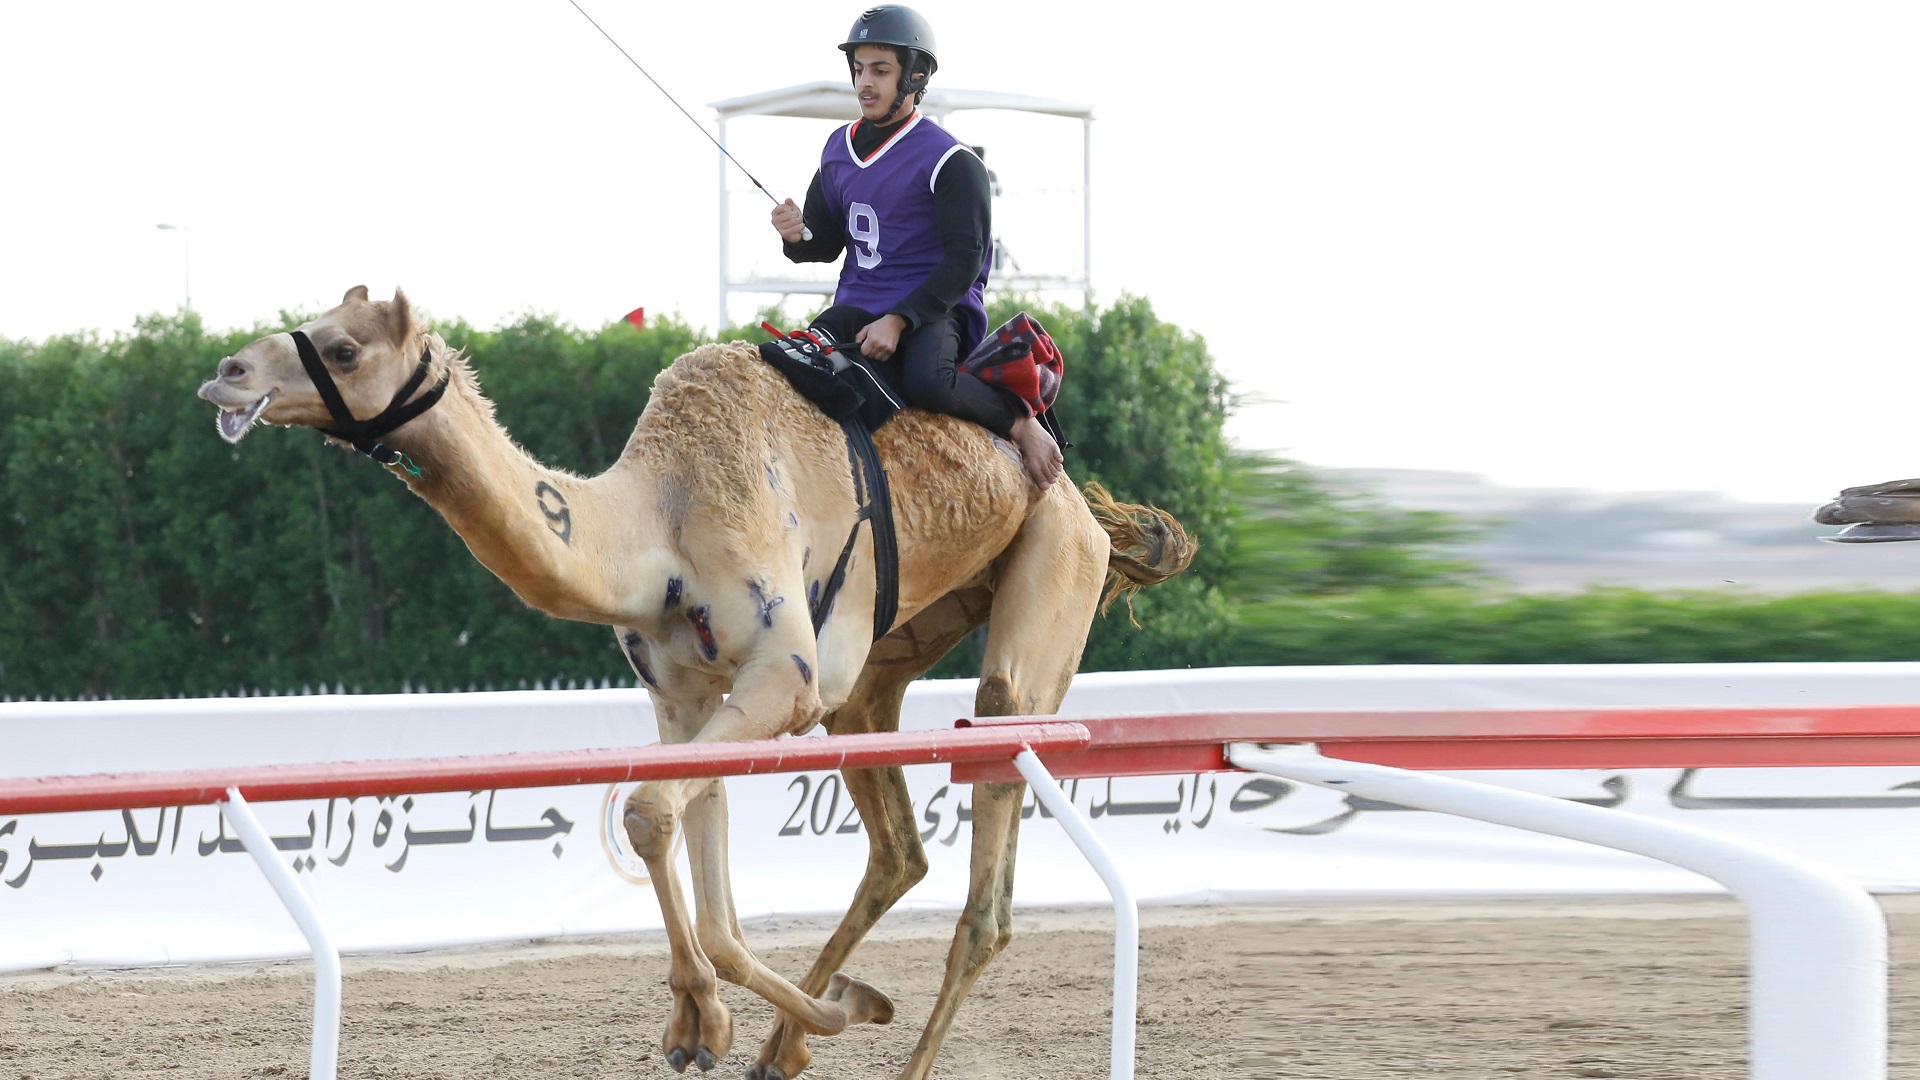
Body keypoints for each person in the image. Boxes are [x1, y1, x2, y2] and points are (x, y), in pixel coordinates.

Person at [771, 5, 1064, 490]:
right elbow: (823, 245)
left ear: (916, 75)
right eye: (859, 69)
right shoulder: (835, 149)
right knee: (795, 358)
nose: (866, 82)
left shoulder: (951, 160)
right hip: (857, 305)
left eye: (880, 71)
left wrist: (900, 319)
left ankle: (1020, 424)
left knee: (928, 381)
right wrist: (794, 234)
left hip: (935, 310)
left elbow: (964, 263)